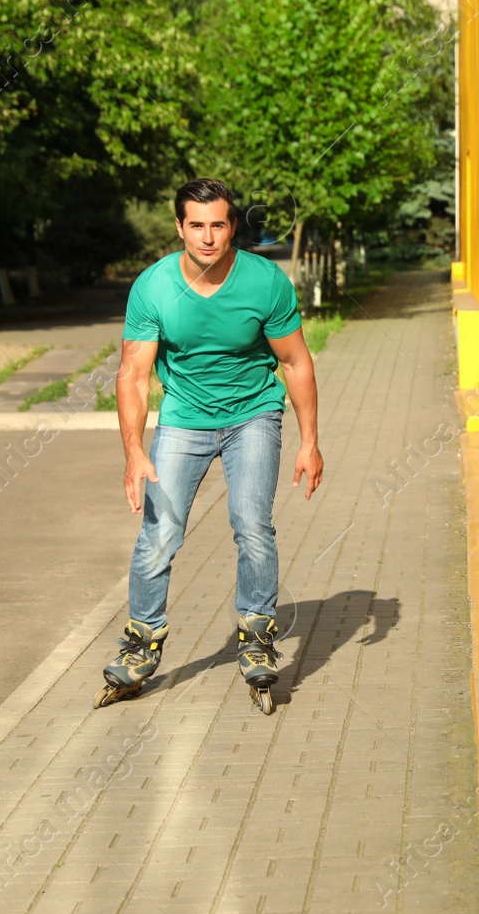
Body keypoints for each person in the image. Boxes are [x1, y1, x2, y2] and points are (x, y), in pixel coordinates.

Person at [94, 178, 323, 715]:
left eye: (218, 224)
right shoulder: (153, 287)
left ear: (232, 227)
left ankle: (257, 635)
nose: (207, 236)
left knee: (251, 524)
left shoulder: (265, 281)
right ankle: (141, 644)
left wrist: (310, 441)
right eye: (196, 225)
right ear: (179, 228)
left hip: (253, 415)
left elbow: (294, 361)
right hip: (184, 419)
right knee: (159, 533)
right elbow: (132, 374)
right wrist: (134, 451)